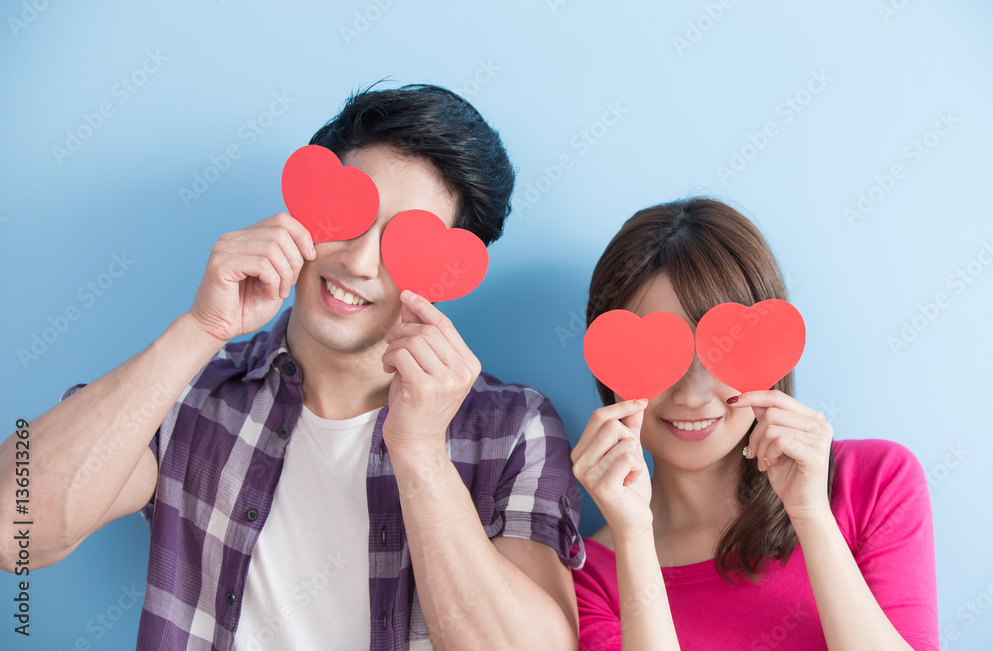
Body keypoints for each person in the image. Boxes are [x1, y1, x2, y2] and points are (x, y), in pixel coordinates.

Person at [0, 84, 584, 650]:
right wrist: (201, 330)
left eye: (403, 244)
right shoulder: (190, 398)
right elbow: (14, 529)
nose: (358, 261)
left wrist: (422, 452)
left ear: (449, 274)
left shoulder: (514, 429)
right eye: (348, 217)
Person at [570, 198, 938, 650]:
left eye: (720, 350)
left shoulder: (875, 481)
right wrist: (634, 536)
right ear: (610, 369)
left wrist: (811, 516)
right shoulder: (590, 579)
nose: (691, 396)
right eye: (658, 356)